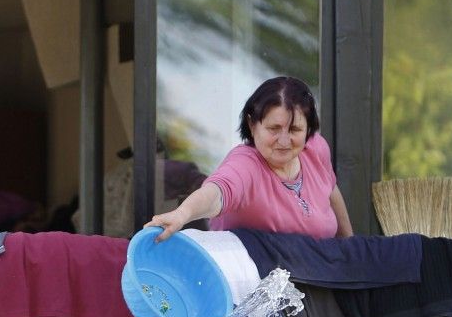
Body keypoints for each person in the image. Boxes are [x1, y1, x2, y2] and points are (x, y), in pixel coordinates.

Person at [146, 76, 354, 241]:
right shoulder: (245, 164)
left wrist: (350, 247)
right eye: (274, 128)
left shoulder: (316, 148)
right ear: (253, 125)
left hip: (321, 278)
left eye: (295, 129)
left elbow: (330, 191)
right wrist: (182, 214)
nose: (284, 140)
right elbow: (215, 193)